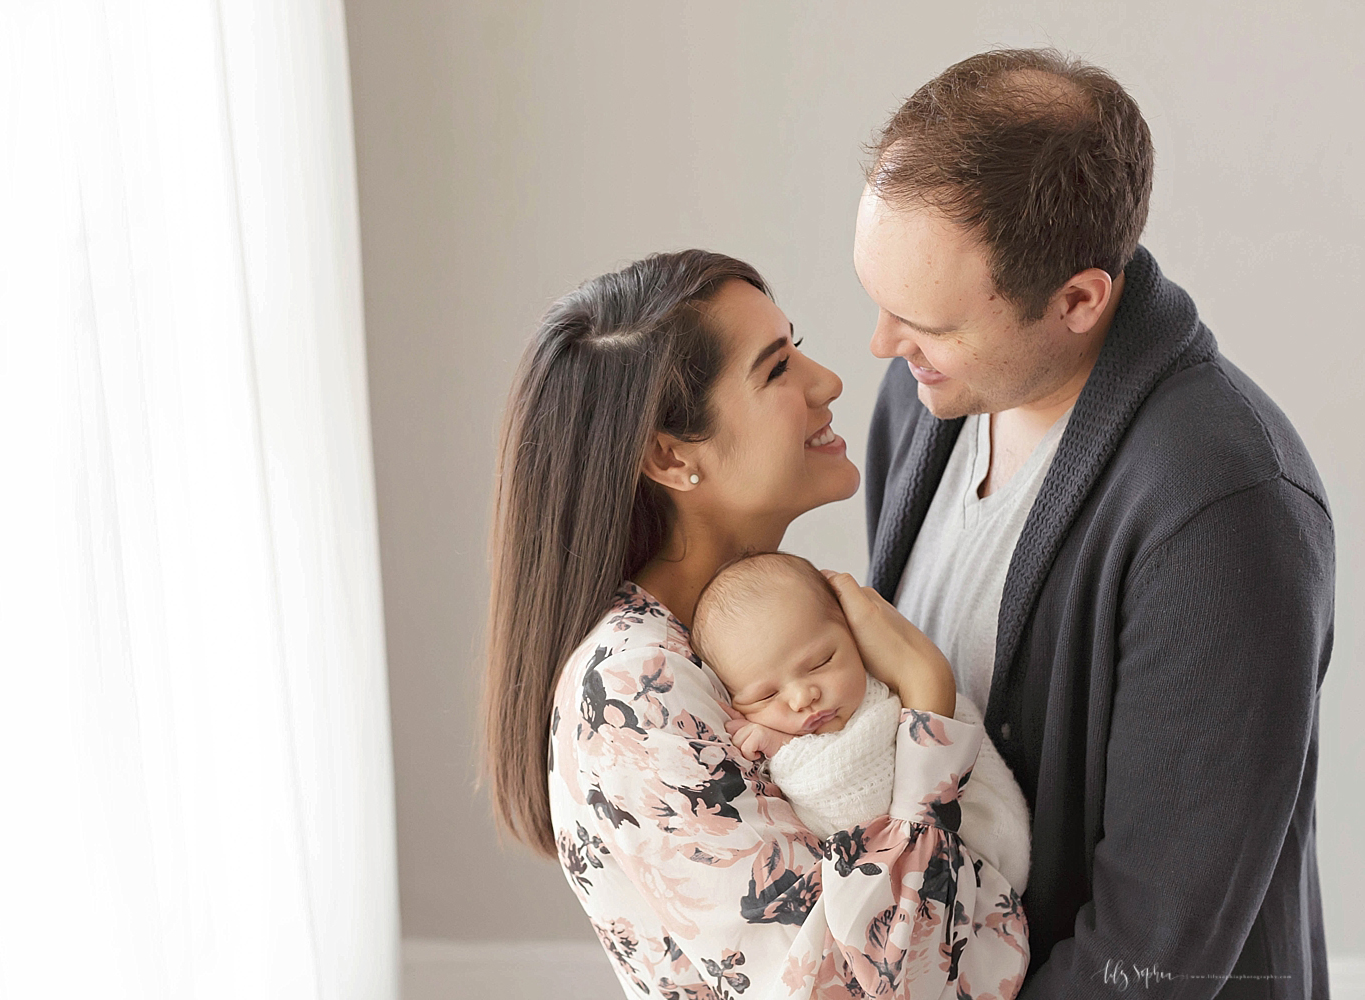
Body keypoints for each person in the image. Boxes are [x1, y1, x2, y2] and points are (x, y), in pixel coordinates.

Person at [854, 49, 1333, 997]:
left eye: (932, 322)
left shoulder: (1224, 510)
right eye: (881, 302)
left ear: (1079, 300)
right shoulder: (922, 400)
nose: (882, 344)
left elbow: (1155, 949)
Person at [482, 250, 1029, 999]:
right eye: (776, 369)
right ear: (671, 456)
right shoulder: (635, 688)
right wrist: (927, 708)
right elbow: (858, 987)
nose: (828, 382)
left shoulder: (757, 631)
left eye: (794, 347)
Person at [688, 549, 1031, 894]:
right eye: (765, 696)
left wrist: (787, 751)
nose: (802, 697)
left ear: (856, 637)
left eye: (821, 662)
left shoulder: (882, 702)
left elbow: (866, 812)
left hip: (983, 863)